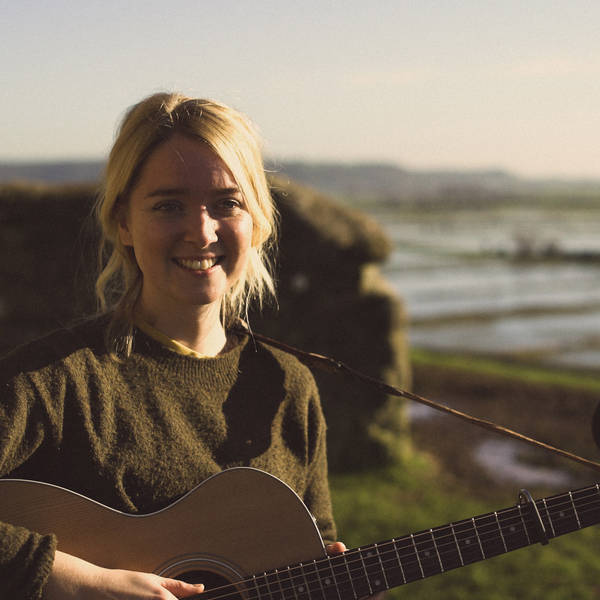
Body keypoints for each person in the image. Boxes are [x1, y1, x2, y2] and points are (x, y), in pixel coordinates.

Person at [0, 92, 345, 600]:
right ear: (124, 223)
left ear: (257, 223)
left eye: (227, 203)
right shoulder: (55, 381)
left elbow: (317, 544)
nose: (200, 231)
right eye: (168, 206)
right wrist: (74, 581)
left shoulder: (287, 386)